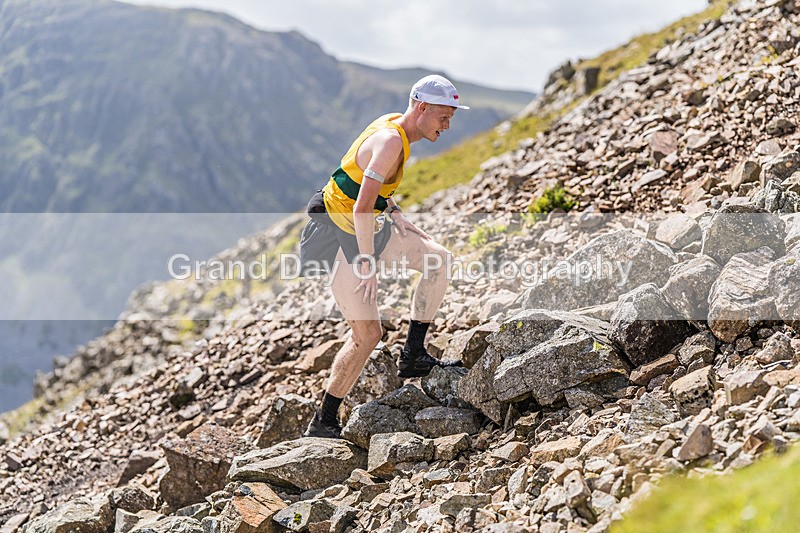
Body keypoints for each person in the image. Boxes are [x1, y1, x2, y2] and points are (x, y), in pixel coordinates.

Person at [298, 74, 469, 438]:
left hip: (366, 225)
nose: (447, 125)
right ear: (422, 107)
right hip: (337, 233)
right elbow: (360, 205)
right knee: (368, 333)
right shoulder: (392, 140)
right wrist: (365, 263)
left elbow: (364, 186)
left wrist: (393, 211)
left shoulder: (397, 127)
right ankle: (323, 422)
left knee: (437, 258)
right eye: (444, 116)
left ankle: (413, 354)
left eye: (451, 118)